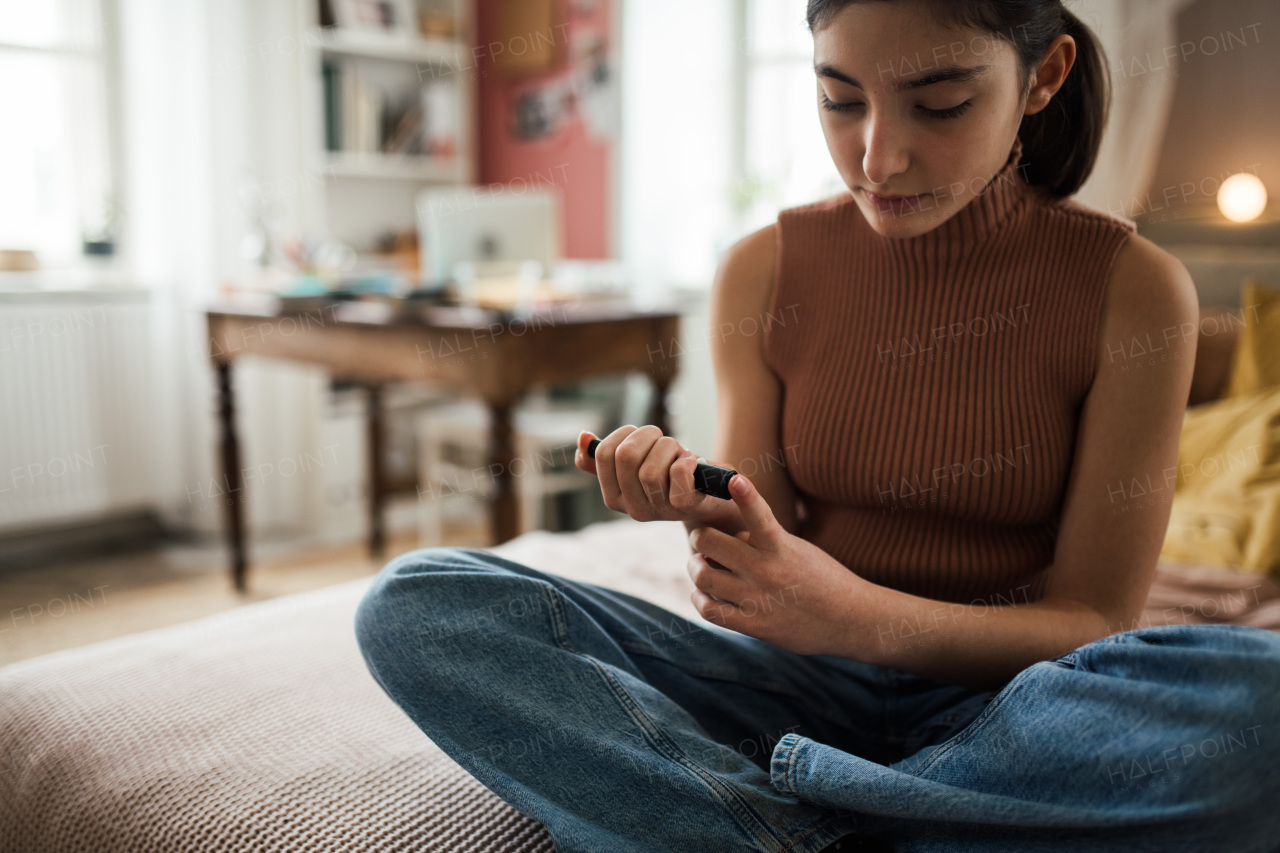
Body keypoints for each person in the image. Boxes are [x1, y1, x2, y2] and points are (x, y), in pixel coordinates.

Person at [355, 1, 1280, 851]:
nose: (879, 156)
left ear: (1043, 77)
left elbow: (1092, 621)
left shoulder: (1135, 289)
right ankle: (868, 820)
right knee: (417, 604)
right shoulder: (763, 270)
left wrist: (856, 614)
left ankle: (764, 816)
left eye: (942, 104)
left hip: (1006, 707)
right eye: (840, 102)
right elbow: (769, 541)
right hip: (788, 684)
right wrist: (696, 500)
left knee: (1263, 703)